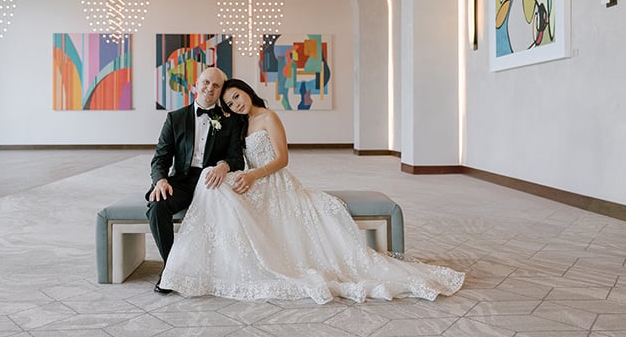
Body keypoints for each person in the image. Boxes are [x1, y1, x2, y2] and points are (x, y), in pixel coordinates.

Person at [158, 78, 465, 303]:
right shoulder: (238, 124)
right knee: (216, 187)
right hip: (252, 181)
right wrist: (234, 172)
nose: (236, 103)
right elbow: (235, 157)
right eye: (230, 103)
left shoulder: (268, 117)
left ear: (247, 91)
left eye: (237, 96)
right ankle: (205, 263)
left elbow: (282, 159)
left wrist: (253, 176)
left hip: (272, 181)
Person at [145, 67, 245, 294]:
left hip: (212, 184)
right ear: (196, 85)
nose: (210, 88)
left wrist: (224, 165)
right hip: (181, 181)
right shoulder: (175, 118)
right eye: (206, 82)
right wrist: (160, 180)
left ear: (220, 92)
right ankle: (171, 267)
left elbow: (236, 158)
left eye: (216, 85)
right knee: (157, 207)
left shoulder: (230, 121)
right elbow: (160, 158)